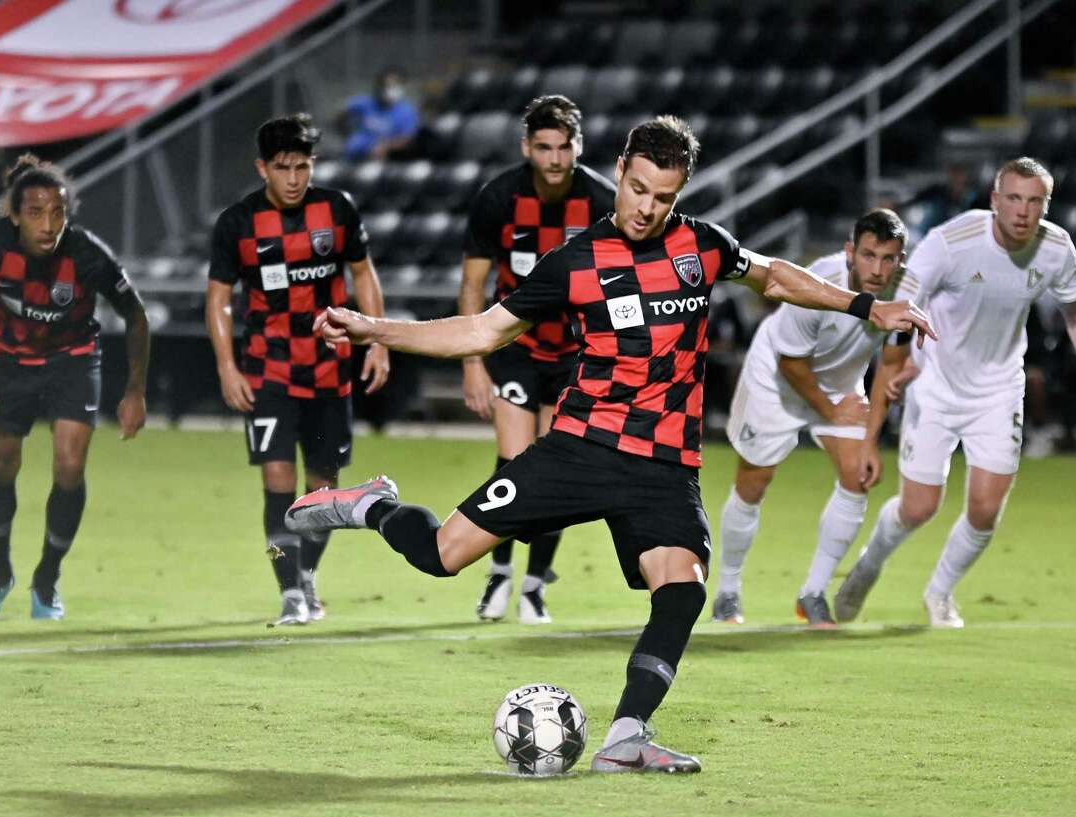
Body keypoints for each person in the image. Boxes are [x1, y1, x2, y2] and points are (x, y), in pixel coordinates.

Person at [284, 117, 934, 772]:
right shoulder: (576, 262)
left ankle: (626, 735)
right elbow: (480, 333)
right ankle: (369, 504)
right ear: (621, 170)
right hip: (580, 448)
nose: (649, 207)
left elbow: (774, 277)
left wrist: (865, 307)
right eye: (641, 189)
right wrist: (373, 328)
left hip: (662, 464)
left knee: (681, 587)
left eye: (666, 196)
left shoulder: (702, 246)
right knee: (440, 554)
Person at [834, 157, 1076, 629]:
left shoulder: (1056, 248)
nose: (1023, 210)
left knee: (986, 509)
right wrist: (906, 358)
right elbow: (901, 305)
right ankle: (869, 564)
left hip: (999, 389)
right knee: (918, 508)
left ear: (1045, 206)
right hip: (937, 385)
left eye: (1035, 201)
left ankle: (940, 593)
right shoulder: (951, 243)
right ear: (995, 201)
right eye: (1013, 198)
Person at [206, 113, 390, 626]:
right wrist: (226, 365)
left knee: (323, 489)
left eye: (303, 166)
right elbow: (219, 300)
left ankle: (307, 576)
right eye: (283, 167)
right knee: (277, 482)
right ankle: (287, 588)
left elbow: (363, 274)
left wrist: (377, 342)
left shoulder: (336, 209)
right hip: (268, 371)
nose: (294, 179)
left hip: (330, 370)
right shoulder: (238, 222)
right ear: (262, 167)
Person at [0, 155, 149, 619]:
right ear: (14, 215)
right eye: (37, 213)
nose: (49, 225)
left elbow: (136, 316)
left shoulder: (87, 254)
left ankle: (47, 578)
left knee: (69, 465)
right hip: (7, 363)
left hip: (73, 361)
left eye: (58, 212)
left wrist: (134, 391)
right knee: (2, 464)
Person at [711, 209, 909, 628]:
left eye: (888, 258)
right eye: (869, 255)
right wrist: (832, 410)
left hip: (839, 384)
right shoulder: (820, 282)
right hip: (776, 378)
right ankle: (727, 592)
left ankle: (813, 593)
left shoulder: (906, 294)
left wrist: (871, 439)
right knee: (753, 482)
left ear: (901, 260)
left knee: (858, 475)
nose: (877, 269)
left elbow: (890, 364)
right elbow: (791, 363)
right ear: (850, 251)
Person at [459, 94, 616, 624]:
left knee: (558, 462)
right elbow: (473, 284)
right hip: (515, 347)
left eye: (563, 147)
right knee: (515, 457)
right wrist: (472, 361)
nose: (553, 158)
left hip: (577, 353)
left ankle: (532, 586)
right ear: (527, 147)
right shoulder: (499, 196)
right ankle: (500, 572)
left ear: (578, 147)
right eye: (543, 147)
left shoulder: (600, 200)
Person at [341, 68, 420, 163]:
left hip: (385, 160)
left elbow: (407, 138)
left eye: (395, 85)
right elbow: (341, 114)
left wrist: (387, 147)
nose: (391, 89)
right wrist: (347, 134)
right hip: (353, 156)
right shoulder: (365, 102)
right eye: (387, 86)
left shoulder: (407, 111)